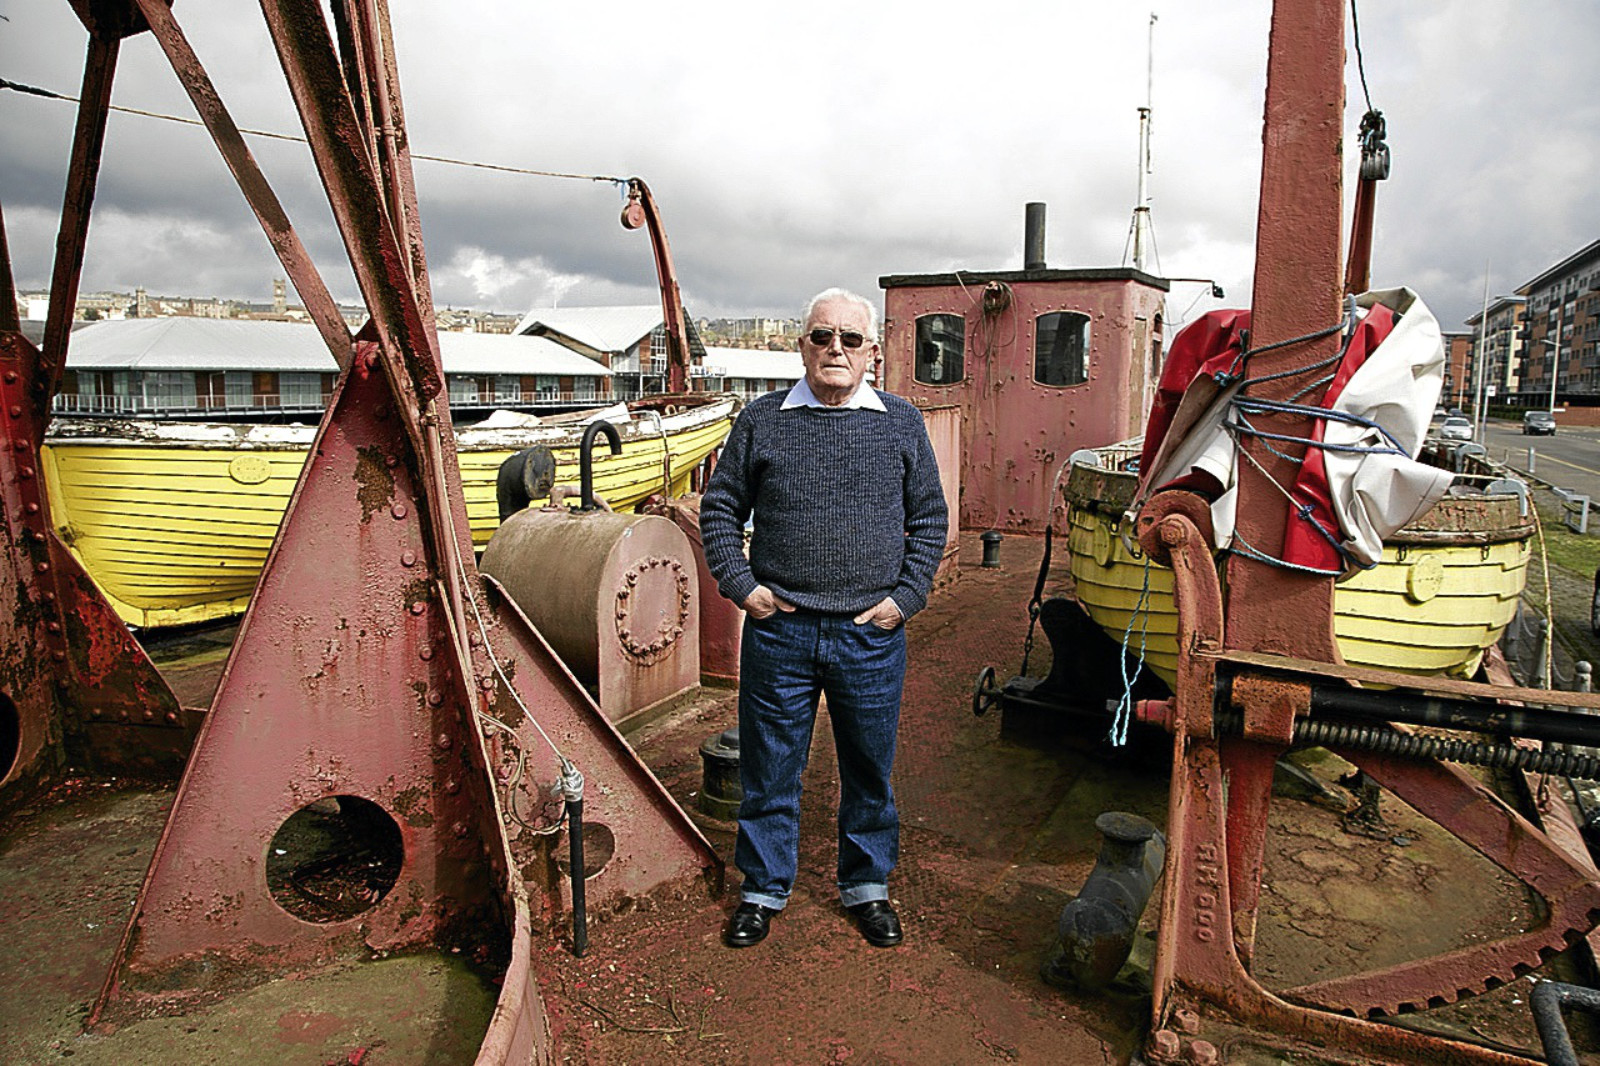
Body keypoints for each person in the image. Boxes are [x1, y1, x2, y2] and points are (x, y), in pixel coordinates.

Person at [699, 287, 948, 949]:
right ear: (800, 344)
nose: (835, 348)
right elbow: (720, 510)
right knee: (770, 764)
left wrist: (906, 598)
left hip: (871, 633)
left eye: (850, 338)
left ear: (871, 351)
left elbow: (929, 520)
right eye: (821, 336)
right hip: (781, 628)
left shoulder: (900, 423)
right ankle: (762, 886)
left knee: (868, 767)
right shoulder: (762, 420)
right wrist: (743, 586)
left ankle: (867, 886)